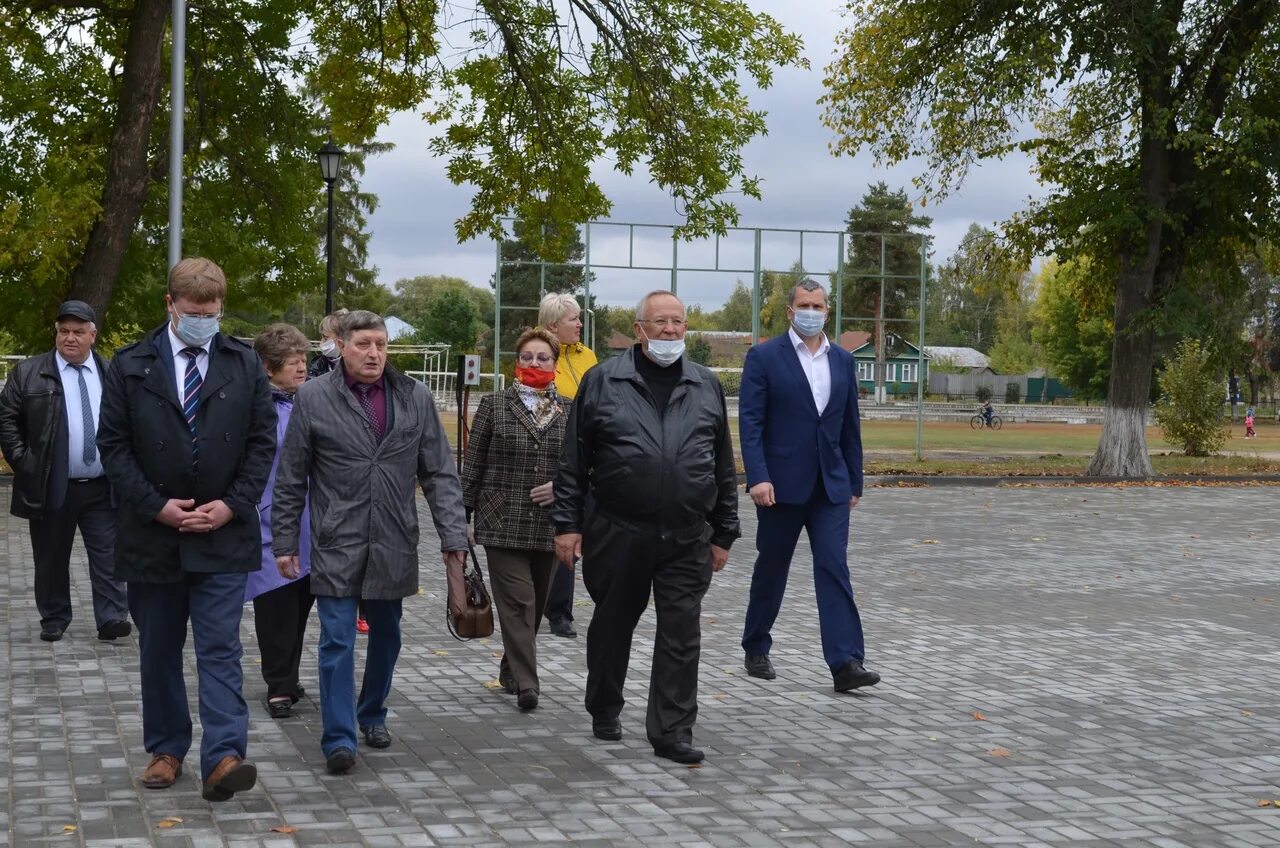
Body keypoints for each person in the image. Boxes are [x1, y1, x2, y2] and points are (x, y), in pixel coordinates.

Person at [98, 258, 275, 802]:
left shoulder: (244, 364)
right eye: (195, 312)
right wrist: (158, 508)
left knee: (220, 647)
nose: (205, 321)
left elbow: (262, 444)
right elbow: (114, 448)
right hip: (153, 535)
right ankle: (166, 749)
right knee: (158, 648)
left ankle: (223, 756)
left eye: (213, 312)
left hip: (222, 533)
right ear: (170, 306)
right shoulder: (130, 364)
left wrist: (232, 505)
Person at [271, 310, 468, 776]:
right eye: (363, 344)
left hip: (394, 538)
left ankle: (372, 712)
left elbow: (439, 473)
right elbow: (291, 477)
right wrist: (284, 541)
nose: (374, 353)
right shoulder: (314, 397)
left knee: (388, 636)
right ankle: (339, 738)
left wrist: (453, 538)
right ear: (340, 345)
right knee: (337, 639)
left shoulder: (414, 396)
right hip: (337, 538)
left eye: (380, 343)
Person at [552, 290, 739, 766]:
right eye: (660, 322)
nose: (671, 330)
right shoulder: (603, 381)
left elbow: (721, 464)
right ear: (639, 329)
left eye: (678, 322)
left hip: (686, 534)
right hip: (618, 530)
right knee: (613, 624)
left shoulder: (705, 385)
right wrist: (567, 526)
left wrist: (724, 531)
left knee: (681, 632)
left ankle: (672, 731)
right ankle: (605, 705)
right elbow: (573, 463)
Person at [738, 279, 880, 694]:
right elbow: (751, 423)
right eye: (804, 304)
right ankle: (756, 645)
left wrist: (855, 481)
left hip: (831, 486)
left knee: (833, 566)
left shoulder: (842, 360)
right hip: (780, 486)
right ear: (789, 311)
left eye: (818, 305)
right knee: (772, 566)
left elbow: (849, 426)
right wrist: (758, 476)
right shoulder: (764, 357)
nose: (811, 311)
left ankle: (846, 661)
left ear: (827, 311)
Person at [0, 300, 130, 642]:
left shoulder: (109, 372)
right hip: (51, 484)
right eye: (63, 332)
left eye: (78, 332)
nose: (69, 338)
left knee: (109, 555)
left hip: (102, 485)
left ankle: (112, 617)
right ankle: (54, 618)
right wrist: (26, 463)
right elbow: (7, 420)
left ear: (93, 335)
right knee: (51, 558)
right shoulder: (29, 373)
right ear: (56, 334)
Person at [460, 327, 567, 711]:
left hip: (549, 522)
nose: (534, 364)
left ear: (555, 364)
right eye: (527, 357)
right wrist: (462, 517)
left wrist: (562, 487)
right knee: (519, 601)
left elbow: (585, 467)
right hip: (500, 520)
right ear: (516, 362)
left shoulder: (569, 409)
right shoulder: (494, 405)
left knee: (535, 606)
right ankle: (528, 684)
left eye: (542, 358)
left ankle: (511, 666)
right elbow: (472, 465)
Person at [246, 324, 315, 719]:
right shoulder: (255, 407)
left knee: (302, 602)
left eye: (304, 360)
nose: (302, 367)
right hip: (269, 518)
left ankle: (287, 674)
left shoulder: (313, 401)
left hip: (313, 519)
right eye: (292, 362)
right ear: (269, 368)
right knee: (274, 602)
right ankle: (278, 684)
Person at [538, 292, 598, 639]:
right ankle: (558, 611)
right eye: (573, 319)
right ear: (552, 325)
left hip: (588, 455)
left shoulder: (587, 355)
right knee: (561, 532)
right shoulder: (539, 355)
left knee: (589, 531)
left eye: (579, 318)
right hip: (553, 456)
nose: (579, 324)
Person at [306, 308, 368, 633]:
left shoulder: (367, 375)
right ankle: (339, 603)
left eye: (327, 338)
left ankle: (359, 605)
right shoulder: (316, 370)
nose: (323, 344)